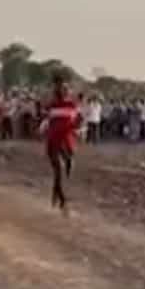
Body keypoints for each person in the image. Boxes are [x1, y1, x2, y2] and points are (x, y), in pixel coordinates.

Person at [39, 74, 82, 214]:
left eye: (65, 89)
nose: (64, 91)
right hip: (55, 141)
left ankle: (57, 193)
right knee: (60, 170)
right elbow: (46, 120)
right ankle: (63, 201)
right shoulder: (54, 105)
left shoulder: (69, 105)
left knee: (65, 168)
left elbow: (77, 121)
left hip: (65, 140)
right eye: (62, 88)